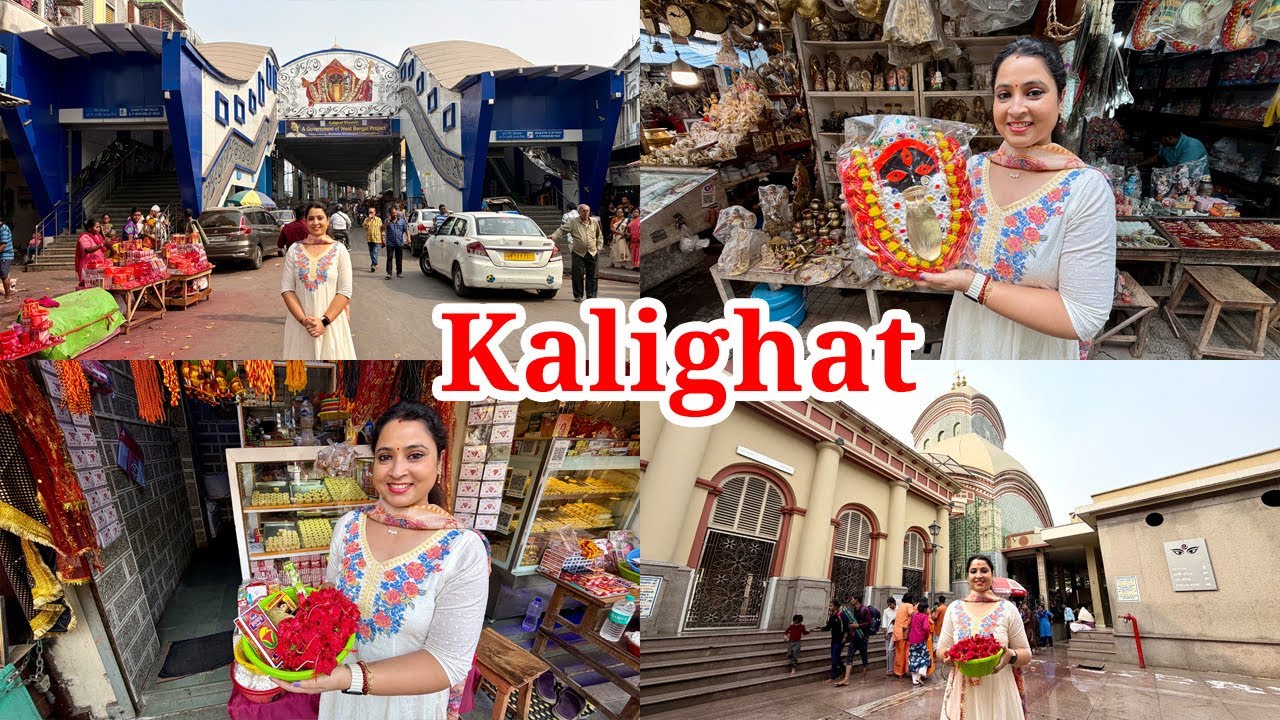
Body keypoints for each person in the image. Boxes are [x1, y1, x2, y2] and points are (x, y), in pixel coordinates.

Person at [273, 402, 489, 719]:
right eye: (385, 456)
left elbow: (448, 661)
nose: (397, 470)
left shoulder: (463, 550)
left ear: (440, 462)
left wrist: (351, 678)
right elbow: (328, 608)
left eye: (415, 455)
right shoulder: (348, 528)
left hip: (406, 707)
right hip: (342, 700)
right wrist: (287, 623)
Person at [916, 36, 1115, 360]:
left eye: (1034, 92)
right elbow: (935, 245)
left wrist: (972, 284)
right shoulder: (970, 171)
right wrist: (883, 212)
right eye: (1004, 95)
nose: (1016, 108)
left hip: (1033, 354)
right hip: (968, 339)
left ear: (1062, 98)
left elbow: (1083, 315)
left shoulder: (1085, 189)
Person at [934, 555, 1032, 719]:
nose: (978, 575)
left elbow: (1026, 653)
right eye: (973, 571)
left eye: (984, 570)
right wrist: (947, 656)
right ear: (967, 576)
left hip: (1000, 690)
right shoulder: (954, 608)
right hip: (963, 690)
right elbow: (941, 648)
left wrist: (1011, 656)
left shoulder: (1007, 609)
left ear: (992, 574)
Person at [280, 203, 356, 360]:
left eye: (320, 218)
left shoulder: (339, 250)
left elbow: (345, 291)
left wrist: (324, 321)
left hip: (331, 324)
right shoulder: (294, 250)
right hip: (301, 326)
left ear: (328, 221)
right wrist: (303, 320)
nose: (316, 223)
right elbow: (287, 289)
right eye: (311, 219)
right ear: (305, 222)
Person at [550, 204, 603, 303]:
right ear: (579, 212)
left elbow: (599, 236)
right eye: (583, 211)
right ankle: (578, 295)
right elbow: (562, 230)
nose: (586, 212)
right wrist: (553, 236)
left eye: (587, 211)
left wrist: (599, 247)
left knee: (593, 275)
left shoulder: (594, 222)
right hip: (578, 253)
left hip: (593, 252)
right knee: (578, 275)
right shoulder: (573, 222)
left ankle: (591, 296)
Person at [837, 596, 872, 686]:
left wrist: (857, 626)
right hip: (854, 637)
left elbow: (869, 623)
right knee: (849, 656)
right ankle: (846, 679)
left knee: (864, 657)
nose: (851, 601)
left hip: (863, 637)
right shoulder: (854, 610)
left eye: (852, 599)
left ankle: (863, 677)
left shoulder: (865, 609)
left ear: (856, 600)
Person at [818, 600, 848, 685]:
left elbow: (846, 626)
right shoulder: (832, 616)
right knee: (835, 656)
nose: (829, 607)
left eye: (831, 606)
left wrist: (845, 637)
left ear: (835, 607)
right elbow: (828, 627)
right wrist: (819, 629)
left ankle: (832, 677)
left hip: (840, 640)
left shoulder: (841, 615)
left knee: (835, 657)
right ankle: (843, 669)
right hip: (834, 639)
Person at [1141, 130, 1208, 168]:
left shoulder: (1191, 146)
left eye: (1162, 140)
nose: (1161, 143)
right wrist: (1138, 165)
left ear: (1170, 138)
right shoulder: (1166, 144)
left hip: (1194, 181)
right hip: (1174, 176)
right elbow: (1157, 158)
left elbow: (1181, 170)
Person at [74, 218, 107, 290]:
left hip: (98, 266)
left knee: (98, 288)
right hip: (87, 267)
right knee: (87, 288)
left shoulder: (98, 236)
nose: (99, 229)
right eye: (97, 227)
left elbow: (104, 249)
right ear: (89, 228)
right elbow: (87, 250)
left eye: (99, 227)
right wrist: (102, 244)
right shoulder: (84, 237)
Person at [908, 598, 933, 685]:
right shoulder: (924, 616)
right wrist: (926, 637)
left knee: (913, 658)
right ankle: (919, 676)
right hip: (920, 639)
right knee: (925, 658)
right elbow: (926, 628)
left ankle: (914, 680)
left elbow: (910, 625)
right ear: (925, 609)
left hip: (912, 639)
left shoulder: (914, 615)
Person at [892, 594, 914, 678]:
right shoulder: (909, 605)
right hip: (903, 632)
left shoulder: (900, 606)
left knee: (898, 652)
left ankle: (897, 671)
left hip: (897, 632)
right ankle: (900, 672)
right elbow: (913, 615)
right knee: (903, 653)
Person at [383, 206, 409, 279]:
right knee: (389, 258)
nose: (394, 214)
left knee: (399, 258)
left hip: (399, 243)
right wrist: (387, 223)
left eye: (395, 213)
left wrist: (408, 238)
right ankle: (389, 273)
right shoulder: (387, 221)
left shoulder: (402, 221)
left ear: (396, 212)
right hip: (390, 243)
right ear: (390, 214)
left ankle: (399, 273)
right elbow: (382, 228)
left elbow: (406, 229)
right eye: (392, 213)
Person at [882, 597, 898, 676]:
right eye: (888, 605)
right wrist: (885, 632)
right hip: (888, 632)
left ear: (894, 603)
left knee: (892, 650)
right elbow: (884, 622)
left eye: (891, 604)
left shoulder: (898, 610)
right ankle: (889, 669)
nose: (890, 606)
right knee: (888, 651)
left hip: (896, 632)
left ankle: (893, 668)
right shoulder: (886, 611)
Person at [0, 218, 13, 303]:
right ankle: (7, 296)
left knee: (4, 276)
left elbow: (4, 244)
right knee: (5, 275)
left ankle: (8, 297)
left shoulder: (3, 228)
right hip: (3, 255)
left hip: (5, 255)